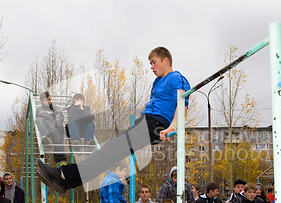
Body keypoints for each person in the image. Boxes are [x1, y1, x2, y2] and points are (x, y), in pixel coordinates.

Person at [37, 47, 191, 190]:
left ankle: (64, 177)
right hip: (147, 124)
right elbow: (155, 107)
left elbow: (182, 101)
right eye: (150, 63)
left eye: (154, 62)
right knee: (109, 153)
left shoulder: (176, 77)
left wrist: (172, 126)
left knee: (109, 151)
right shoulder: (157, 82)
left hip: (157, 124)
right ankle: (66, 179)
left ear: (166, 60)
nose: (151, 67)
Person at [36, 91, 67, 166]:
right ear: (41, 101)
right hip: (46, 129)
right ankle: (46, 138)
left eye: (49, 99)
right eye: (46, 100)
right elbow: (40, 119)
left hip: (55, 128)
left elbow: (60, 117)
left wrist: (53, 124)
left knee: (57, 135)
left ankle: (61, 159)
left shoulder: (56, 108)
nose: (48, 101)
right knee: (39, 120)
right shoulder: (39, 110)